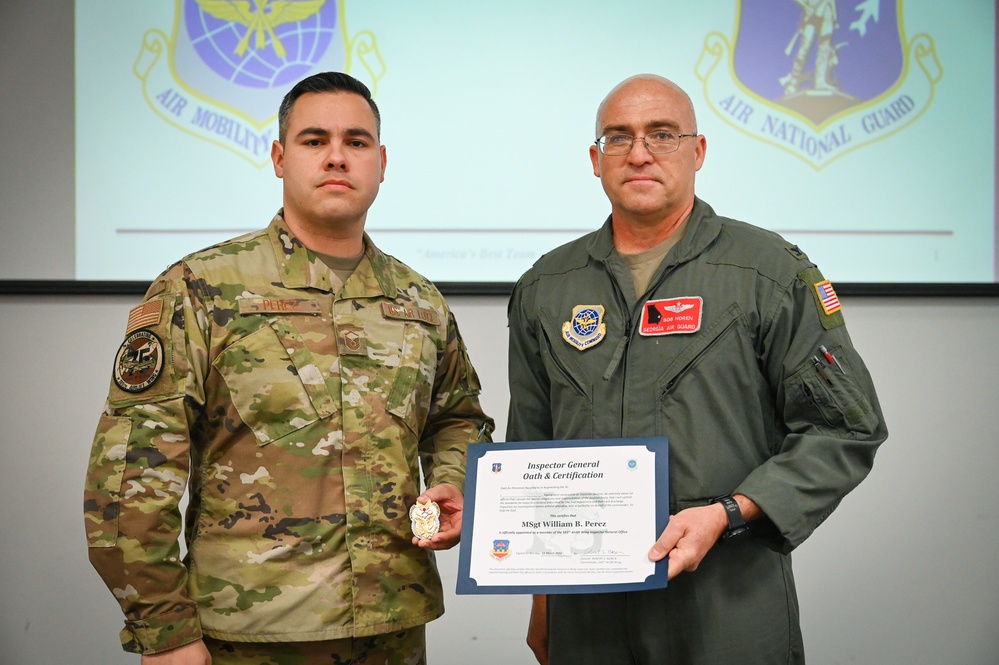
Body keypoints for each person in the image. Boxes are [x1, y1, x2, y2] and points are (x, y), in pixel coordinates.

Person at [84, 71, 493, 665]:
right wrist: (164, 629)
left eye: (356, 142)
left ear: (381, 161)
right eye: (313, 140)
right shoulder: (201, 287)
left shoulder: (419, 301)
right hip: (250, 634)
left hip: (392, 627)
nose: (336, 157)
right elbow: (129, 476)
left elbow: (458, 417)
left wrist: (452, 480)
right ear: (279, 157)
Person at [506, 73, 887, 664]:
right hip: (588, 614)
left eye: (662, 134)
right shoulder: (545, 288)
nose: (639, 153)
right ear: (594, 158)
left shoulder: (767, 274)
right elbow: (530, 456)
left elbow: (845, 429)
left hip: (727, 606)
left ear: (698, 151)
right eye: (618, 137)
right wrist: (541, 597)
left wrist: (730, 512)